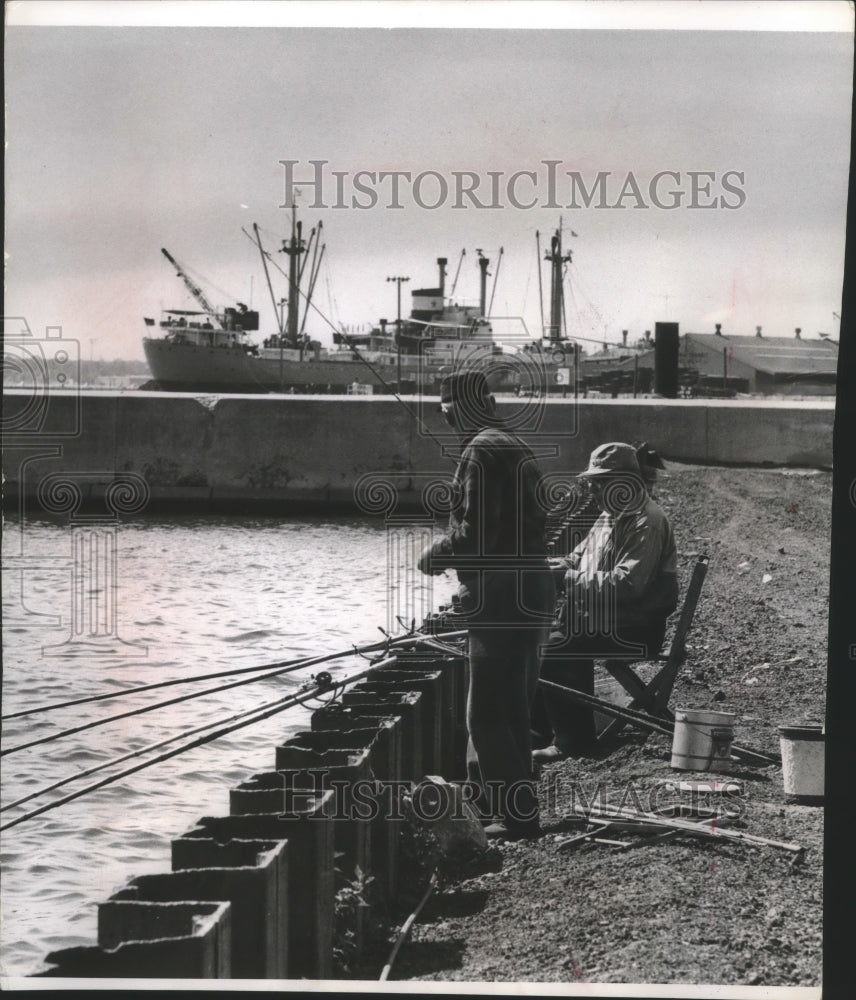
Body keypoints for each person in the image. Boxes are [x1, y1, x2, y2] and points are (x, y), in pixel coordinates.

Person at [419, 370, 554, 839]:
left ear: (456, 407)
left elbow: (477, 536)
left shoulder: (479, 450)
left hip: (501, 593)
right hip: (532, 585)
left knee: (487, 711)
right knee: (513, 705)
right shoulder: (510, 442)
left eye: (447, 409)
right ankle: (515, 810)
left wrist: (436, 554)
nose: (448, 418)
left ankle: (514, 818)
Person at [532, 441, 678, 761]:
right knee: (538, 639)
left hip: (637, 626)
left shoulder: (646, 522)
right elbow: (577, 558)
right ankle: (540, 732)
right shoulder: (611, 515)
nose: (594, 492)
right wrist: (547, 567)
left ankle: (574, 741)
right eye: (592, 485)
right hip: (611, 618)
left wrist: (565, 579)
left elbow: (627, 585)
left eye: (600, 484)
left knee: (556, 646)